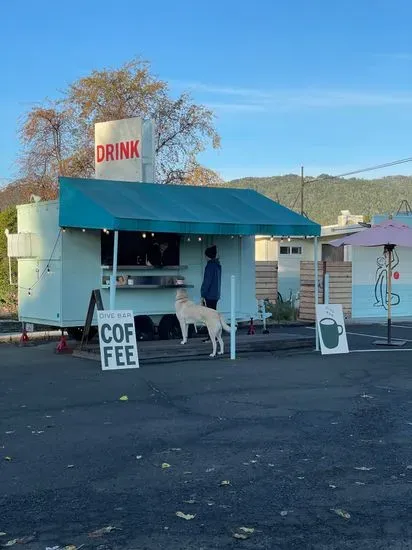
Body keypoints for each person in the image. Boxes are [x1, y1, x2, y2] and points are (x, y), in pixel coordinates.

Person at [201, 245, 221, 310]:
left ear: (208, 256)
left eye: (206, 255)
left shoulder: (210, 266)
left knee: (209, 316)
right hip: (215, 295)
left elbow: (207, 281)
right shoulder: (217, 265)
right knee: (213, 314)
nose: (205, 257)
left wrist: (203, 294)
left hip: (209, 295)